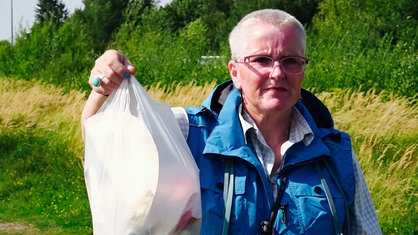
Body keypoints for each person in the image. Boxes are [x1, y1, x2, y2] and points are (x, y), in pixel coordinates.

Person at [81, 9, 382, 235]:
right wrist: (103, 85)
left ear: (302, 70)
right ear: (235, 72)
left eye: (290, 61)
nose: (277, 73)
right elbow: (104, 146)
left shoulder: (335, 154)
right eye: (262, 60)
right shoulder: (188, 133)